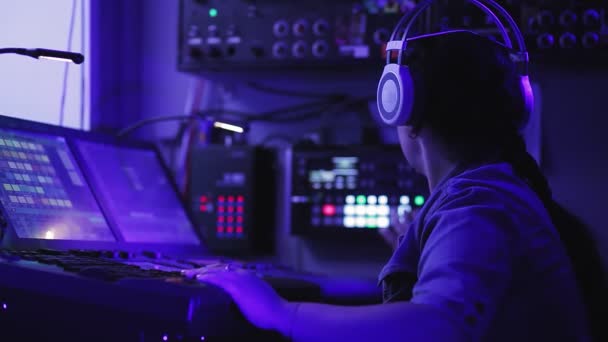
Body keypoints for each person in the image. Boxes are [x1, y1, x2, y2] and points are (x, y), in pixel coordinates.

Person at [193, 31, 602, 341]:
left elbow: (438, 325)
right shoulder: (490, 195)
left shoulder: (477, 207)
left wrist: (279, 312)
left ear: (403, 108)